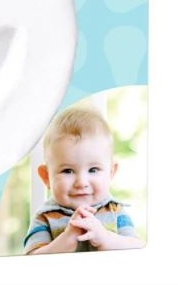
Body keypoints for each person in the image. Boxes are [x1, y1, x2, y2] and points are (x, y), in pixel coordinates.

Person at [24, 105, 144, 254]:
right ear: (46, 176)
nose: (81, 182)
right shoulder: (44, 218)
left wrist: (105, 238)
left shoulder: (115, 211)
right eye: (67, 171)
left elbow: (138, 248)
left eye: (93, 170)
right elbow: (31, 258)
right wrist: (66, 240)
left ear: (111, 173)